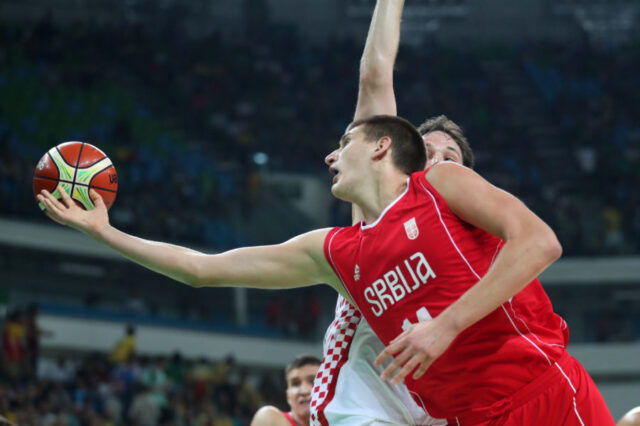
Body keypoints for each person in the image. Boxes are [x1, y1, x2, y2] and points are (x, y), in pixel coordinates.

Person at [37, 111, 614, 424]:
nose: (331, 155)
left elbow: (540, 243)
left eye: (345, 141)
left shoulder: (439, 184)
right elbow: (201, 268)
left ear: (383, 147)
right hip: (465, 418)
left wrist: (445, 325)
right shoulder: (334, 251)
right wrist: (106, 233)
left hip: (540, 390)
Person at [310, 1, 469, 425]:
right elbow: (375, 75)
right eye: (426, 153)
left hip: (447, 400)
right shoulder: (381, 200)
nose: (436, 161)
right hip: (371, 398)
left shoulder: (479, 238)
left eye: (449, 156)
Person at [251, 355, 321, 426]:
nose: (304, 391)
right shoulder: (268, 417)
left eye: (313, 381)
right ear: (288, 396)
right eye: (296, 384)